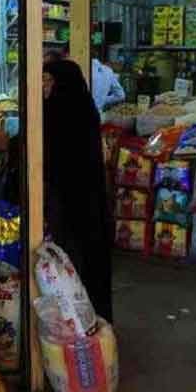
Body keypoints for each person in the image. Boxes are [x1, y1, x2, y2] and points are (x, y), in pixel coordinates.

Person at [42, 59, 113, 323]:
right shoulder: (82, 108)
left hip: (71, 198)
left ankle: (78, 319)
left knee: (72, 258)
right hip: (82, 198)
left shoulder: (60, 112)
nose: (44, 86)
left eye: (49, 81)